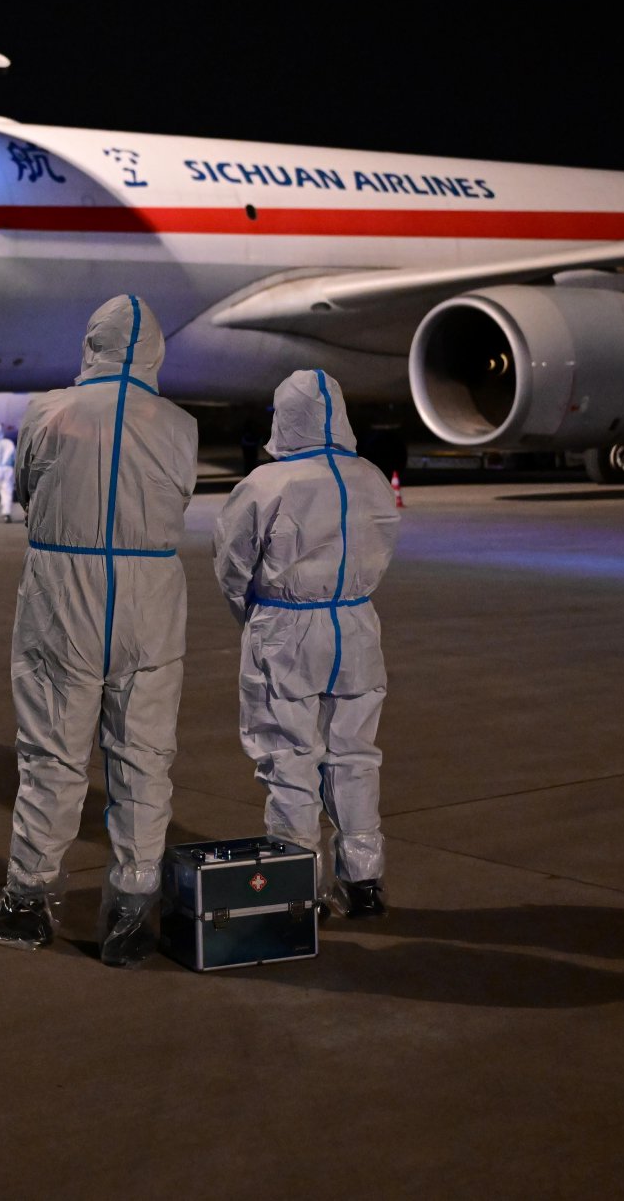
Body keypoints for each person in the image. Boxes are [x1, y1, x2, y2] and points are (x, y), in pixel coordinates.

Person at [0, 295, 198, 967]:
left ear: (92, 343)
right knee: (144, 757)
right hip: (150, 598)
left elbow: (30, 490)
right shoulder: (180, 426)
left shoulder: (48, 412)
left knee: (53, 755)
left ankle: (30, 901)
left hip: (64, 592)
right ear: (154, 351)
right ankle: (132, 913)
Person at [211, 370, 401, 919]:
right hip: (355, 623)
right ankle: (364, 881)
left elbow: (232, 565)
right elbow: (384, 546)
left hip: (288, 627)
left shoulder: (266, 484)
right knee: (355, 755)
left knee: (289, 758)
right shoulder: (369, 478)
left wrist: (256, 615)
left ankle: (299, 887)